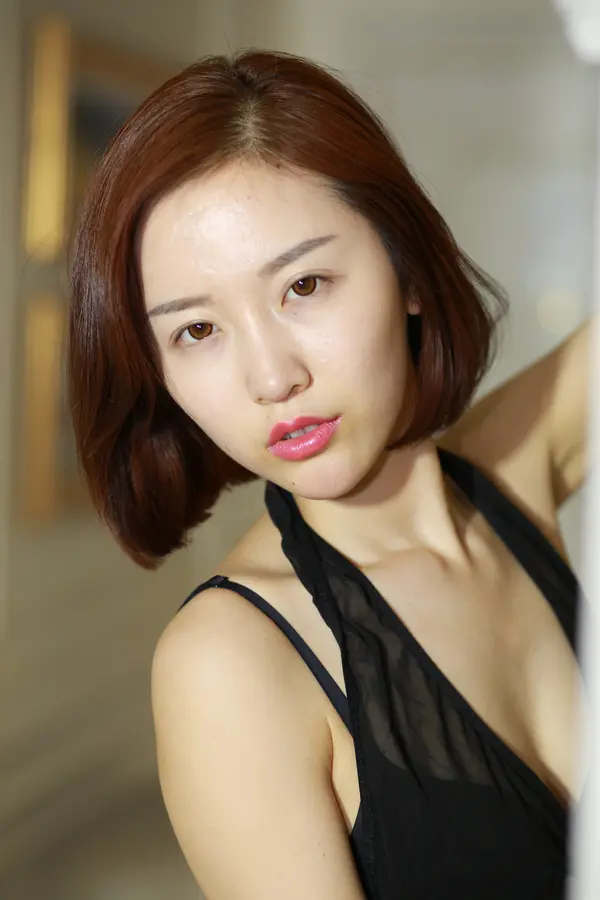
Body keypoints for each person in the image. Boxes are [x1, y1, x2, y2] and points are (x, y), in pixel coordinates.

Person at [68, 50, 591, 900]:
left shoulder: (512, 474)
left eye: (304, 285)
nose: (273, 377)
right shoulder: (229, 662)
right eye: (197, 331)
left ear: (407, 269)